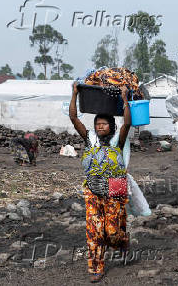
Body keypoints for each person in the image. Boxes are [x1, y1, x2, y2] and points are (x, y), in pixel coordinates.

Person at [69, 82, 131, 283]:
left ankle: (121, 242)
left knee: (112, 232)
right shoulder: (90, 140)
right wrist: (74, 93)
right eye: (97, 124)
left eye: (104, 123)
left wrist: (124, 99)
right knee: (95, 231)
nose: (100, 126)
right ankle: (96, 267)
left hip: (116, 187)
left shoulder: (117, 141)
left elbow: (127, 124)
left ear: (111, 126)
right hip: (93, 189)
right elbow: (73, 118)